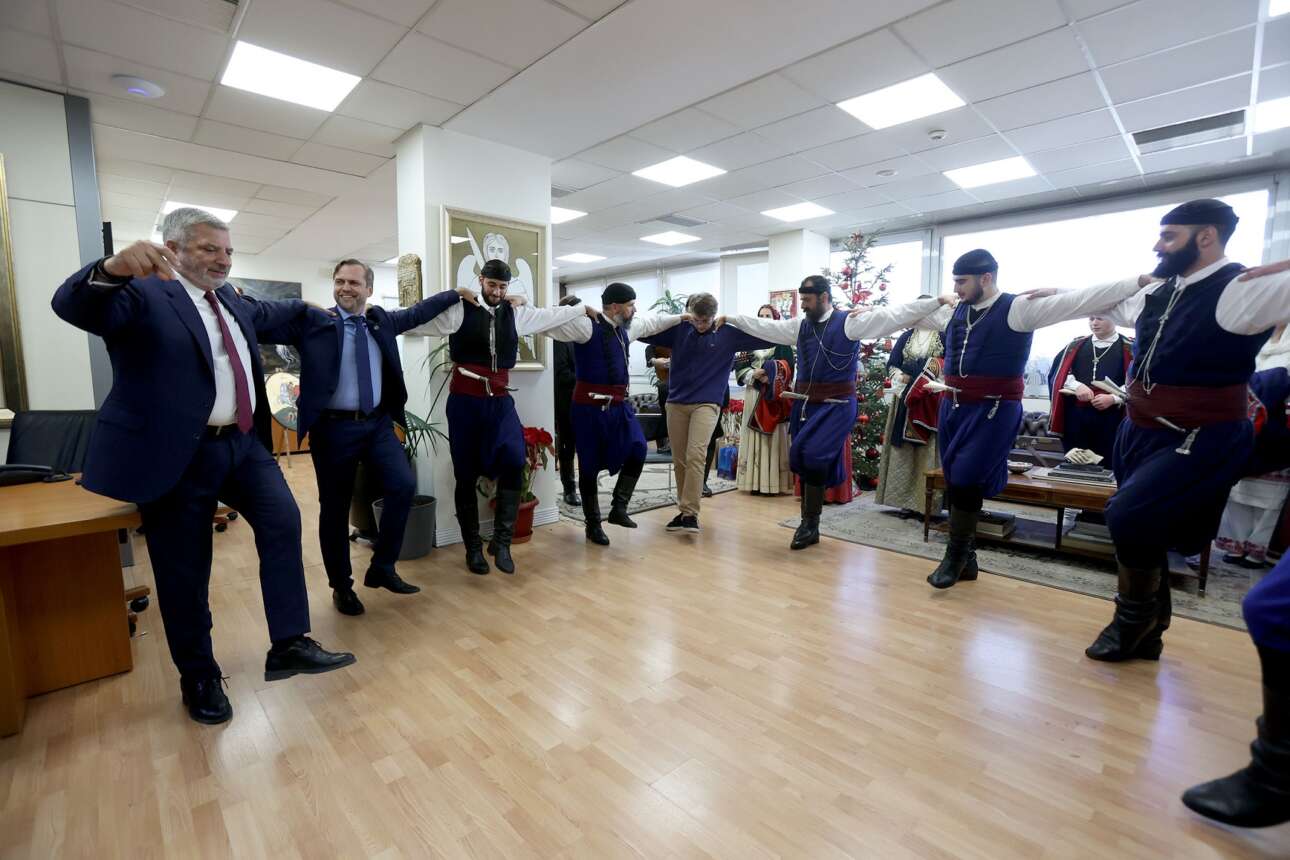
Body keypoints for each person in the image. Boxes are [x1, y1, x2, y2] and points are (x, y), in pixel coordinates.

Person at [51, 208, 355, 726]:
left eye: (228, 250)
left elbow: (275, 313)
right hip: (177, 453)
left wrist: (314, 309)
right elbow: (73, 304)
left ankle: (289, 643)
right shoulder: (143, 293)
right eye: (210, 248)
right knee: (185, 570)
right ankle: (198, 676)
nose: (223, 259)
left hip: (242, 446)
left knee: (283, 521)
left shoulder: (230, 298)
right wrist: (111, 267)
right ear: (172, 248)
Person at [1066, 201, 1290, 664]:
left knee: (1126, 515)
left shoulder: (1243, 289)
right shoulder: (1162, 291)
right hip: (1139, 428)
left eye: (1169, 236)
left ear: (1206, 236)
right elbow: (1102, 300)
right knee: (1145, 525)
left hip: (1201, 433)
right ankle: (1152, 631)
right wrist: (1060, 294)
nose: (1158, 245)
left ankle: (1132, 621)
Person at [910, 250, 1153, 590]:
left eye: (961, 281)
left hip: (994, 409)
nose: (956, 288)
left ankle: (955, 556)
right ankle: (968, 560)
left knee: (966, 477)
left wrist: (1137, 281)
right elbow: (907, 317)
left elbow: (1082, 300)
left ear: (986, 278)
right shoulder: (954, 310)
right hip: (953, 406)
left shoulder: (1019, 308)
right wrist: (866, 317)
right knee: (956, 479)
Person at [257, 259, 466, 616]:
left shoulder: (380, 321)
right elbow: (261, 323)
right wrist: (298, 304)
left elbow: (418, 312)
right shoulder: (315, 322)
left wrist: (456, 294)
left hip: (377, 424)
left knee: (402, 486)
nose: (345, 288)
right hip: (332, 430)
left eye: (354, 282)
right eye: (340, 281)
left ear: (368, 288)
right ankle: (341, 586)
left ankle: (382, 566)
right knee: (334, 509)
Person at [726, 277, 953, 550]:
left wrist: (937, 301)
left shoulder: (850, 323)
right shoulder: (800, 326)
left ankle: (809, 524)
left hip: (838, 405)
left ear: (824, 297)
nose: (803, 306)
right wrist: (731, 319)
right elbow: (766, 327)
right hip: (806, 405)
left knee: (814, 456)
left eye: (808, 300)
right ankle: (811, 522)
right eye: (802, 300)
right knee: (800, 456)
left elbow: (895, 315)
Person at [406, 260, 591, 574]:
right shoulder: (459, 311)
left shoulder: (516, 313)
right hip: (465, 403)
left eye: (503, 286)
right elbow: (415, 319)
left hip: (500, 401)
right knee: (465, 474)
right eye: (492, 285)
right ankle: (473, 548)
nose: (497, 291)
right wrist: (450, 295)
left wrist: (583, 309)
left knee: (515, 460)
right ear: (481, 280)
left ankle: (502, 542)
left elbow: (553, 315)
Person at [555, 282, 684, 544]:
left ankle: (619, 508)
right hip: (588, 409)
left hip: (618, 406)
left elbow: (652, 323)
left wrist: (683, 317)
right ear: (615, 307)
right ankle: (593, 525)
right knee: (589, 466)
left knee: (638, 448)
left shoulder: (625, 329)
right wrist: (579, 309)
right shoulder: (585, 327)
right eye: (630, 305)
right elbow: (551, 322)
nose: (634, 310)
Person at [639, 292, 773, 532]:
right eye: (696, 320)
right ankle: (684, 511)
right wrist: (676, 319)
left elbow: (767, 336)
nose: (700, 325)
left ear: (714, 316)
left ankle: (690, 513)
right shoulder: (680, 329)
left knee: (696, 455)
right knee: (679, 459)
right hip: (676, 402)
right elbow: (642, 331)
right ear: (690, 314)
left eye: (705, 321)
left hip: (707, 404)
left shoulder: (727, 334)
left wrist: (733, 319)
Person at [1214, 326, 1290, 568]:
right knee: (1238, 493)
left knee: (1269, 498)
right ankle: (1235, 544)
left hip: (1276, 427)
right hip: (1244, 425)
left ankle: (1257, 550)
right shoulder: (1257, 342)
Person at [875, 305, 945, 516]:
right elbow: (892, 364)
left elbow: (948, 364)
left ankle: (927, 506)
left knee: (927, 452)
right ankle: (905, 502)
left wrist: (925, 379)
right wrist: (901, 377)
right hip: (905, 398)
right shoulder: (906, 337)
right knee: (904, 452)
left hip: (930, 400)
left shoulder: (943, 336)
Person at [1047, 315, 1132, 461]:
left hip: (1112, 417)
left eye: (1100, 318)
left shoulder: (1130, 347)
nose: (1094, 323)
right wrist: (1077, 386)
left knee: (1108, 463)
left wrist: (1114, 398)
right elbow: (1058, 373)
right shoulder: (1075, 345)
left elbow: (1138, 381)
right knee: (1075, 463)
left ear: (1115, 319)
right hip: (1075, 416)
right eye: (1091, 319)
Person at [733, 304, 795, 495]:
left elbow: (789, 368)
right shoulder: (748, 341)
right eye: (761, 315)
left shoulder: (782, 342)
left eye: (768, 315)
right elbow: (740, 366)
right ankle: (754, 482)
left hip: (773, 395)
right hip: (753, 393)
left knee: (774, 437)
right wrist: (754, 374)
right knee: (754, 435)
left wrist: (771, 376)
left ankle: (773, 484)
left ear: (775, 318)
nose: (764, 318)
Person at [553, 294, 582, 506]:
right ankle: (569, 488)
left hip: (585, 399)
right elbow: (562, 374)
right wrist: (588, 376)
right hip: (566, 401)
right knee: (567, 446)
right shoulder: (560, 337)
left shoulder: (582, 335)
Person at [644, 341, 672, 454]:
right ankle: (668, 441)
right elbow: (650, 359)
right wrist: (655, 361)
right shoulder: (653, 347)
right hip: (667, 385)